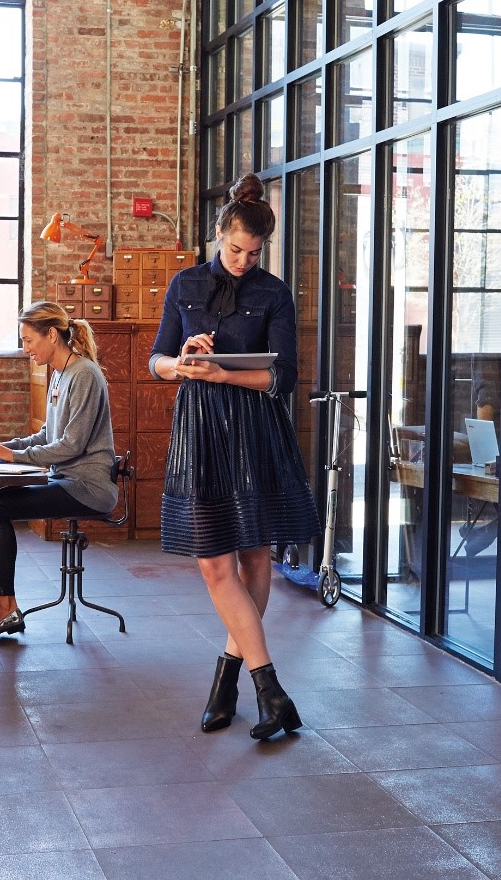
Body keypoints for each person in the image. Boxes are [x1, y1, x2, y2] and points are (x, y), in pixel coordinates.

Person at [148, 173, 319, 741]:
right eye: (235, 249)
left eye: (253, 253)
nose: (242, 261)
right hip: (199, 428)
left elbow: (284, 377)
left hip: (254, 428)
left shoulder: (273, 292)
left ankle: (227, 681)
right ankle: (271, 690)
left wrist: (226, 372)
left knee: (254, 559)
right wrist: (184, 362)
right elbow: (156, 362)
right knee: (213, 563)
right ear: (218, 233)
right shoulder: (184, 283)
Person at [0, 301, 118, 643]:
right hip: (66, 480)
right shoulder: (61, 374)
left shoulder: (85, 375)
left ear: (51, 334)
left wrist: (15, 456)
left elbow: (71, 446)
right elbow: (48, 436)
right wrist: (2, 446)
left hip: (87, 487)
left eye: (29, 340)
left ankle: (5, 606)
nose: (26, 348)